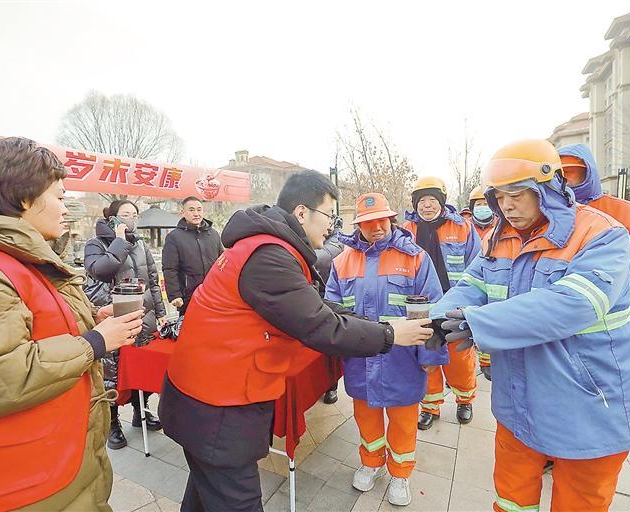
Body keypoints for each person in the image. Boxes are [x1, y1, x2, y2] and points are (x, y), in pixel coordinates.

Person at [159, 170, 436, 512]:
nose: (332, 226)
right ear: (302, 212)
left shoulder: (266, 248)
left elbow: (318, 306)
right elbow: (321, 326)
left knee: (204, 497)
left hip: (205, 401)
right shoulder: (269, 256)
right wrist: (391, 335)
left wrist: (381, 325)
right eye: (329, 215)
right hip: (217, 412)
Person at [0, 137, 143, 511]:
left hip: (45, 461)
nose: (65, 208)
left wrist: (90, 318)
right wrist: (96, 341)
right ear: (24, 199)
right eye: (59, 196)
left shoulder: (10, 255)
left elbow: (29, 320)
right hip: (12, 485)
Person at [431, 139, 630, 512]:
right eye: (499, 197)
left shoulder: (601, 234)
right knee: (511, 501)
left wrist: (478, 322)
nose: (506, 206)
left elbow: (574, 304)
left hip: (586, 407)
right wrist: (438, 318)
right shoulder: (498, 237)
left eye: (516, 194)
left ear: (549, 188)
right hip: (517, 405)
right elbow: (471, 286)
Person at [325, 193, 447, 506]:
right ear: (358, 225)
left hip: (403, 361)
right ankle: (371, 462)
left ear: (392, 219)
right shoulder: (341, 262)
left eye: (382, 220)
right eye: (369, 222)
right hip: (361, 360)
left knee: (404, 421)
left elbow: (432, 310)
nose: (377, 227)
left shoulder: (415, 258)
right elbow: (332, 314)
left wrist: (430, 356)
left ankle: (400, 473)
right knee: (366, 418)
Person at [558, 144, 630, 363]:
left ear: (589, 172)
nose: (565, 180)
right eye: (559, 174)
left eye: (571, 172)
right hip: (556, 338)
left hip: (610, 344)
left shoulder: (628, 214)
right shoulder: (545, 215)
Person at [84, 200, 167, 449]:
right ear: (112, 218)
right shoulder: (96, 244)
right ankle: (112, 423)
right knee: (113, 373)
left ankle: (141, 412)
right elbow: (100, 270)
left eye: (134, 215)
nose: (131, 219)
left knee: (141, 367)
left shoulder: (140, 243)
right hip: (114, 317)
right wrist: (119, 241)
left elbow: (152, 279)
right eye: (125, 215)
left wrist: (160, 312)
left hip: (143, 315)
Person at [401, 176, 480, 429]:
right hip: (420, 306)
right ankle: (430, 406)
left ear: (442, 202)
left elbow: (477, 265)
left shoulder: (463, 228)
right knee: (427, 357)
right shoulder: (406, 231)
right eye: (421, 200)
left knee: (460, 359)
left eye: (432, 200)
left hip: (455, 305)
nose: (426, 205)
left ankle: (464, 399)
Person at [162, 196, 223, 315]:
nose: (196, 213)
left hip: (214, 294)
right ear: (182, 213)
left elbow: (222, 262)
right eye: (191, 210)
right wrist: (174, 295)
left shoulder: (213, 234)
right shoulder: (174, 237)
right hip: (189, 296)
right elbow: (170, 268)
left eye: (199, 209)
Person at [314, 215, 345, 404]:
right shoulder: (310, 236)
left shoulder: (337, 240)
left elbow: (322, 258)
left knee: (329, 348)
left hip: (327, 297)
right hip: (310, 294)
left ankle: (331, 386)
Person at [467, 184, 497, 380]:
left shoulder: (501, 225)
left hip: (493, 280)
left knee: (488, 322)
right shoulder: (467, 227)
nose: (482, 207)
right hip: (473, 281)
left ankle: (487, 362)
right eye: (478, 204)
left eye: (485, 203)